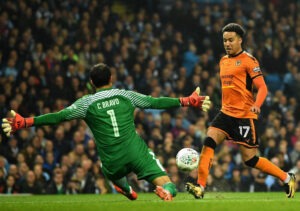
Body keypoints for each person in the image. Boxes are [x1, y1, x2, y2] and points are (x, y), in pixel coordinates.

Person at [1, 63, 211, 201]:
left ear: (91, 83)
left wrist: (26, 122)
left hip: (112, 160)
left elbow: (58, 117)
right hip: (136, 153)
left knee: (109, 170)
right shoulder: (125, 95)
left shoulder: (86, 103)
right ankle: (167, 192)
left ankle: (126, 189)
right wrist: (185, 101)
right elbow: (154, 102)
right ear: (111, 78)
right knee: (166, 181)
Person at [185, 23, 296, 199]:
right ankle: (200, 186)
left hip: (244, 116)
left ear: (240, 40)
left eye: (230, 40)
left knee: (250, 160)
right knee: (208, 141)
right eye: (224, 40)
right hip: (225, 113)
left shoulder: (249, 61)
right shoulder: (223, 61)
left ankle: (286, 177)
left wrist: (257, 105)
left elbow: (263, 88)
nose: (227, 44)